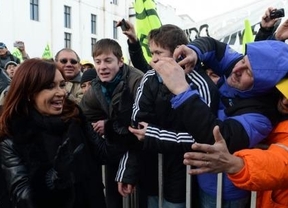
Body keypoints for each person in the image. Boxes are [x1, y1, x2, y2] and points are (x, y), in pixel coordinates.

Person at [129, 37, 288, 207]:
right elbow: (214, 46)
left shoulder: (261, 116)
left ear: (266, 86)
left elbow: (216, 137)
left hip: (226, 192)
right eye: (243, 59)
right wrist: (193, 51)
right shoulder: (237, 65)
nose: (237, 68)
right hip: (201, 180)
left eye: (248, 72)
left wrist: (182, 91)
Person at [0, 58, 129, 208]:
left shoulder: (74, 117)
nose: (61, 92)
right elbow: (23, 198)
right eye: (50, 86)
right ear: (29, 93)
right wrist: (54, 178)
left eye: (62, 85)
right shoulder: (12, 136)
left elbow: (104, 153)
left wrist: (116, 125)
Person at [117, 24, 219, 208]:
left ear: (179, 53)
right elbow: (137, 128)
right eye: (151, 53)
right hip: (151, 171)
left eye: (159, 53)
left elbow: (205, 137)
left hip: (185, 174)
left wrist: (154, 135)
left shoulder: (201, 84)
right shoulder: (149, 79)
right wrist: (127, 171)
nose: (152, 60)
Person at [182, 77, 288, 208]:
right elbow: (227, 61)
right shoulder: (269, 104)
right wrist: (197, 55)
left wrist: (238, 165)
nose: (285, 101)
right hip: (254, 192)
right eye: (284, 92)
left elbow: (281, 162)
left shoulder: (263, 117)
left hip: (232, 190)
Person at [80, 38, 143, 208]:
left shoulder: (137, 82)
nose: (102, 67)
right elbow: (81, 114)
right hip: (116, 149)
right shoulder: (96, 88)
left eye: (108, 61)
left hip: (142, 151)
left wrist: (107, 125)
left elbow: (137, 125)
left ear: (120, 62)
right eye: (98, 62)